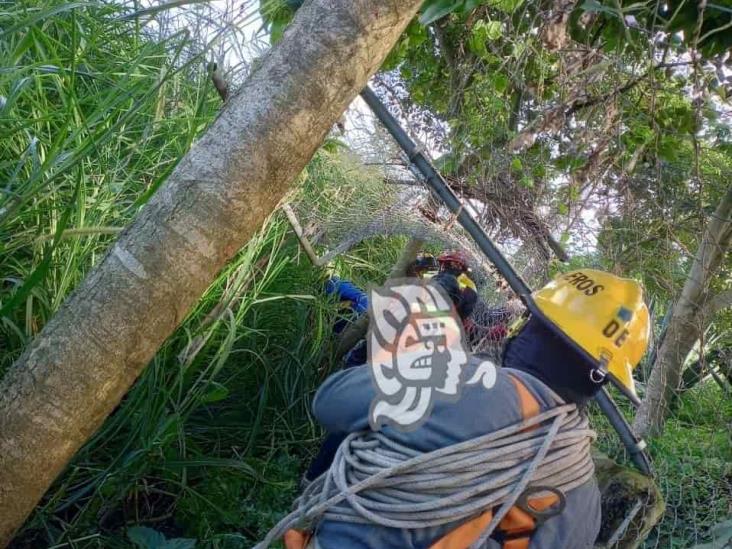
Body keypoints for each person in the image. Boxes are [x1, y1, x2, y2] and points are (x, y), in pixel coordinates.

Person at [290, 269, 650, 549]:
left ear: (530, 327)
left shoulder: (452, 378)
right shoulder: (585, 501)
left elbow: (329, 402)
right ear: (604, 380)